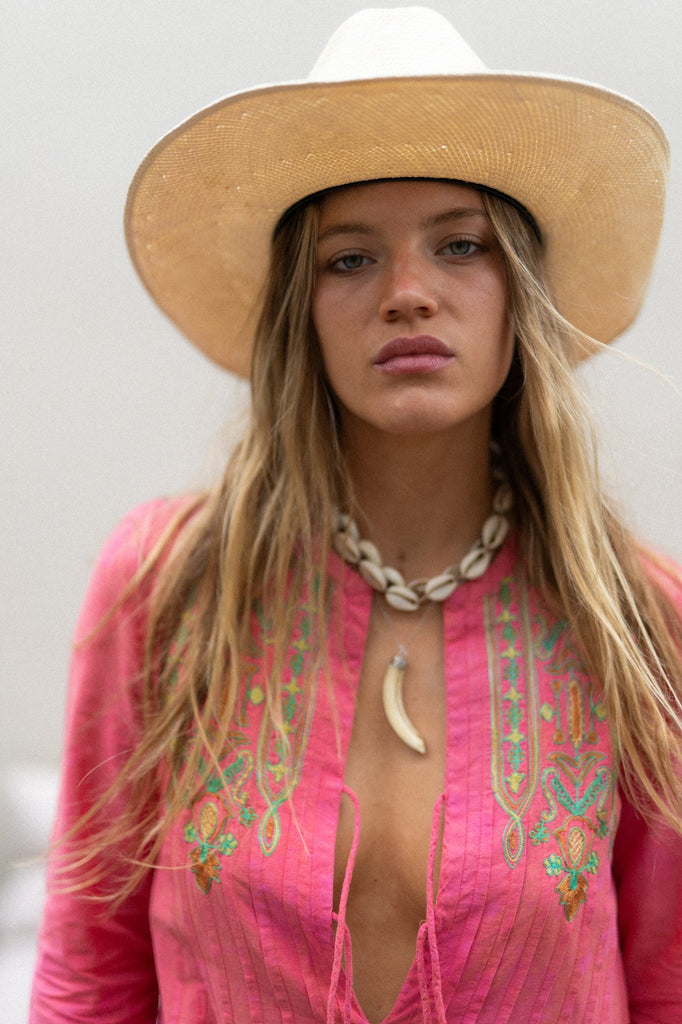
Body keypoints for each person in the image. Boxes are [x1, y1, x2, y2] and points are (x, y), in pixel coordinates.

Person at [30, 7, 682, 1024]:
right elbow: (88, 976)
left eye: (459, 245)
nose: (409, 293)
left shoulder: (636, 619)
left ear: (519, 294)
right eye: (350, 259)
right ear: (302, 311)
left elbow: (668, 981)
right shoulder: (169, 586)